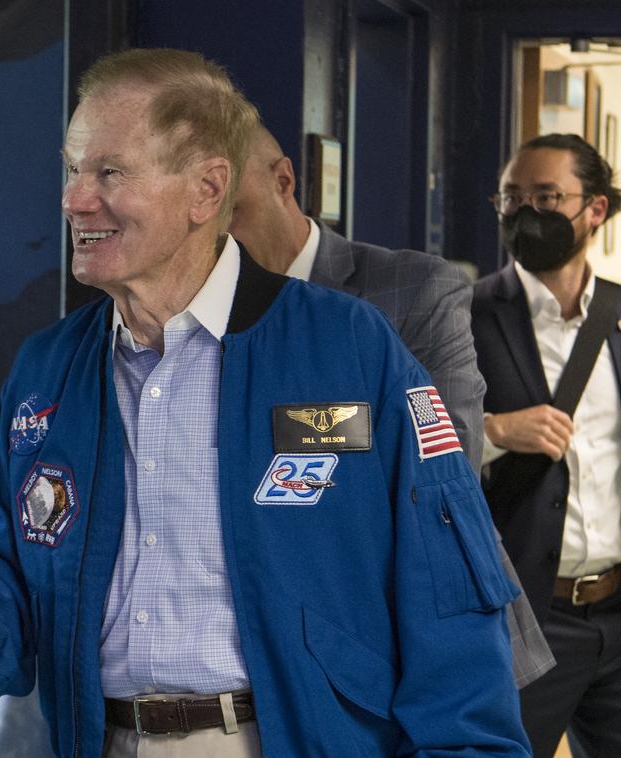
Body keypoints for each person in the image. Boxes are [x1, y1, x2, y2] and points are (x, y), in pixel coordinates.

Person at [0, 48, 530, 757]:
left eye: (109, 172)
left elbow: (445, 583)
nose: (73, 199)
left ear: (207, 191)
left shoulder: (348, 346)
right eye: (72, 169)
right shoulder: (47, 368)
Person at [229, 124, 554, 688]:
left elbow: (444, 459)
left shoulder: (410, 287)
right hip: (263, 638)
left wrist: (282, 438)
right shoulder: (194, 311)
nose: (218, 236)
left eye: (232, 208)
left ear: (284, 180)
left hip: (418, 621)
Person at [472, 133, 621, 757]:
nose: (526, 212)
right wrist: (494, 432)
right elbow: (406, 439)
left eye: (547, 195)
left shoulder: (617, 314)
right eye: (512, 197)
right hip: (524, 617)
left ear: (597, 209)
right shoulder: (464, 313)